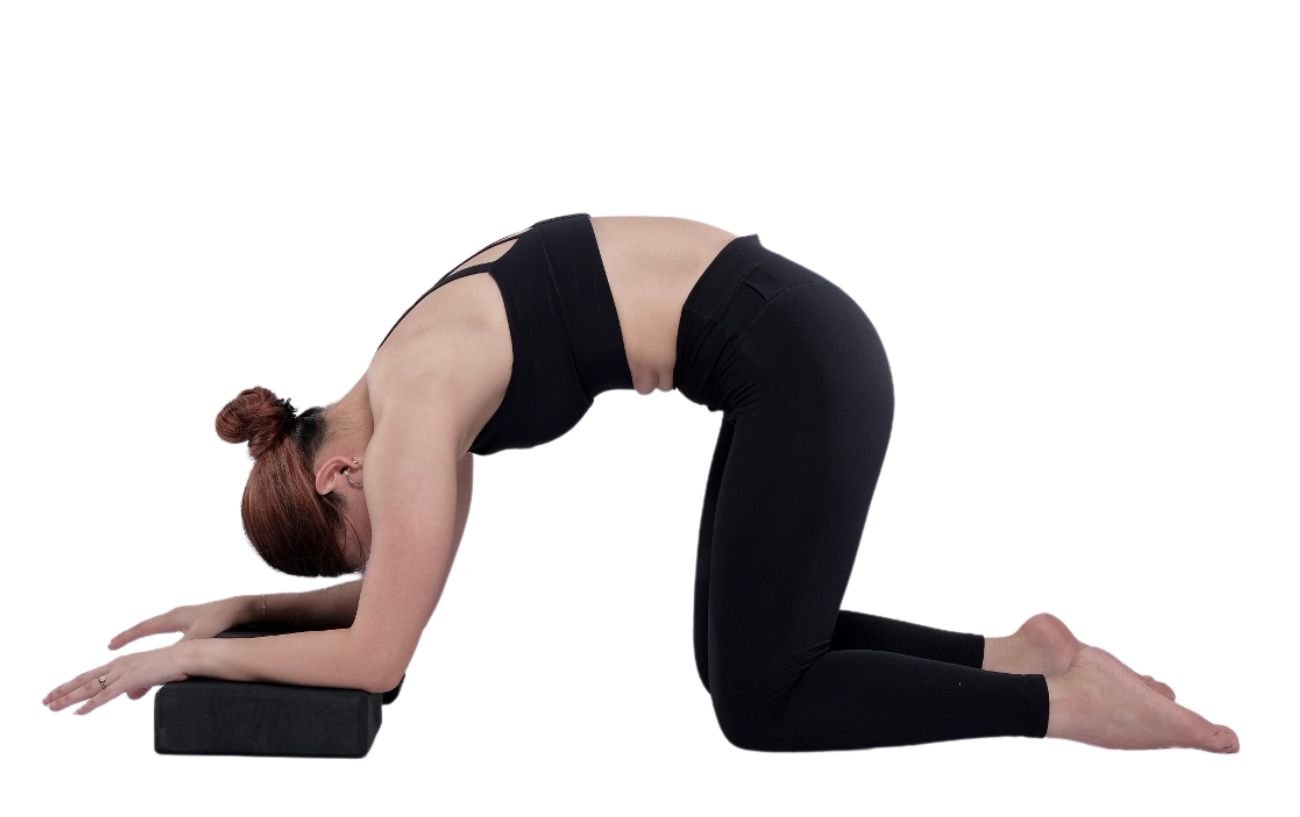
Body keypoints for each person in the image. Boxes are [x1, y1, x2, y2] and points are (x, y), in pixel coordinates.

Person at [41, 213, 1239, 753]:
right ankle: (1015, 654)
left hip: (798, 362)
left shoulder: (412, 419)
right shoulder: (395, 370)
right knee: (751, 655)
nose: (378, 548)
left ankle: (1060, 706)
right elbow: (381, 611)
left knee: (758, 703)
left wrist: (188, 659)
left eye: (352, 538)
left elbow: (379, 652)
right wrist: (238, 612)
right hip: (795, 340)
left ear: (338, 473)